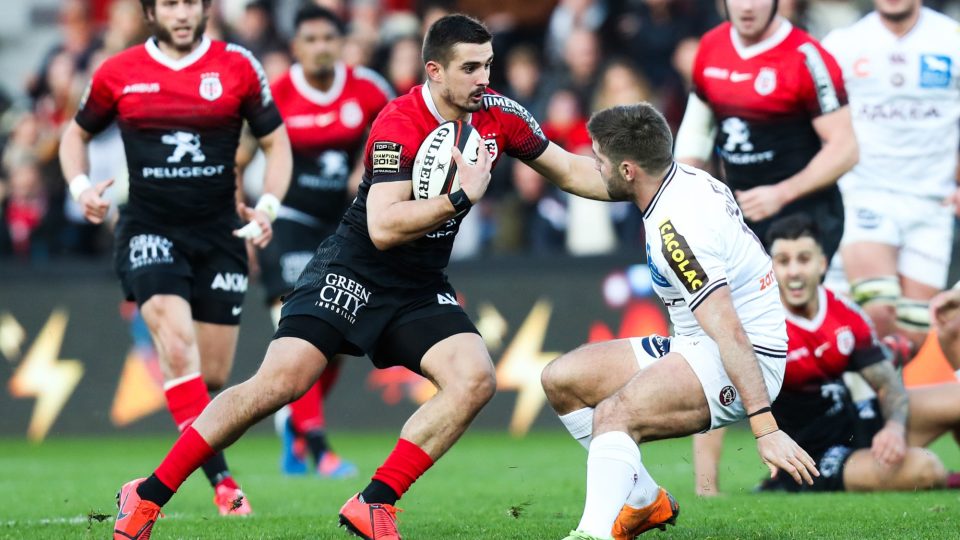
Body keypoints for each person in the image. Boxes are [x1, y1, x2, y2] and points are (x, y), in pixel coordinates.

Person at [111, 13, 614, 540]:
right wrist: (460, 197)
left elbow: (570, 169)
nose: (484, 79)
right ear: (434, 71)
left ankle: (374, 503)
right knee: (278, 384)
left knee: (474, 379)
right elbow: (382, 226)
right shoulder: (398, 121)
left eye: (488, 65)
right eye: (470, 68)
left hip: (418, 285)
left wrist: (642, 183)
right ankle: (145, 495)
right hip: (352, 271)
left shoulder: (498, 116)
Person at [541, 103, 818, 540]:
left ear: (628, 170)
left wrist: (765, 427)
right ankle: (643, 501)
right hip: (698, 342)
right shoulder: (679, 179)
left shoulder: (677, 230)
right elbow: (572, 174)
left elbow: (728, 328)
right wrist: (517, 135)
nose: (596, 167)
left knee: (615, 416)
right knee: (563, 379)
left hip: (746, 356)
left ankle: (591, 535)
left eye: (601, 160)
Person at [59, 0, 291, 517]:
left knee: (210, 379)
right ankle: (223, 484)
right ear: (150, 12)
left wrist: (269, 206)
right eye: (169, 3)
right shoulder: (119, 72)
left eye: (190, 1)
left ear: (206, 8)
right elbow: (75, 133)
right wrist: (79, 187)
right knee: (177, 348)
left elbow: (277, 144)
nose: (181, 12)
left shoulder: (238, 66)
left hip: (220, 235)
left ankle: (174, 475)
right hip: (149, 229)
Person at [695, 215, 960, 494]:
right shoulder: (759, 325)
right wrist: (706, 488)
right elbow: (717, 397)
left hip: (857, 420)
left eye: (804, 259)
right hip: (815, 456)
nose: (794, 271)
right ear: (771, 269)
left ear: (822, 264)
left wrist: (893, 427)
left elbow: (887, 383)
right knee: (924, 468)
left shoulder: (844, 312)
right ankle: (779, 485)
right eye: (784, 261)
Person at [247, 4, 392, 479]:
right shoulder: (277, 94)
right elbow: (241, 155)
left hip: (345, 227)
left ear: (341, 42)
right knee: (301, 328)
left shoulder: (368, 88)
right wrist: (245, 223)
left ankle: (294, 427)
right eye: (310, 40)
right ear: (296, 47)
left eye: (328, 38)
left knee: (332, 342)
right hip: (288, 221)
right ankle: (321, 448)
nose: (320, 47)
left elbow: (396, 135)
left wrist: (365, 168)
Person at [819, 0, 960, 344]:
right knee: (878, 312)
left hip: (932, 205)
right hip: (867, 193)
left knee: (913, 334)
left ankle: (878, 397)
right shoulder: (842, 45)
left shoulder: (952, 40)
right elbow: (814, 119)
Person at [673, 0, 858, 261]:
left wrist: (781, 194)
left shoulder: (808, 56)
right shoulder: (711, 46)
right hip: (741, 218)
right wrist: (682, 194)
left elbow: (846, 149)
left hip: (804, 216)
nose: (747, 7)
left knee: (787, 299)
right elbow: (698, 131)